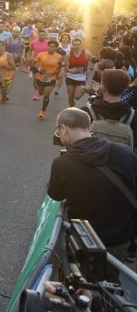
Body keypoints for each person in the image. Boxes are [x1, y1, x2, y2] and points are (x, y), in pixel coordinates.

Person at [48, 107, 137, 266]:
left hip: (84, 239)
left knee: (81, 284)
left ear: (64, 129)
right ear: (88, 127)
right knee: (113, 283)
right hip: (121, 238)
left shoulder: (63, 163)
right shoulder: (125, 152)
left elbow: (55, 194)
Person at [33, 39, 64, 119]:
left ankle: (42, 111)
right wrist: (39, 68)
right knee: (40, 93)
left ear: (56, 48)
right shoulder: (41, 54)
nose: (51, 48)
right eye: (50, 46)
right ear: (47, 46)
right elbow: (35, 63)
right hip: (40, 76)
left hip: (51, 77)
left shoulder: (59, 57)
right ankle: (40, 93)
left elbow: (61, 65)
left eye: (53, 47)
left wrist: (59, 72)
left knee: (46, 95)